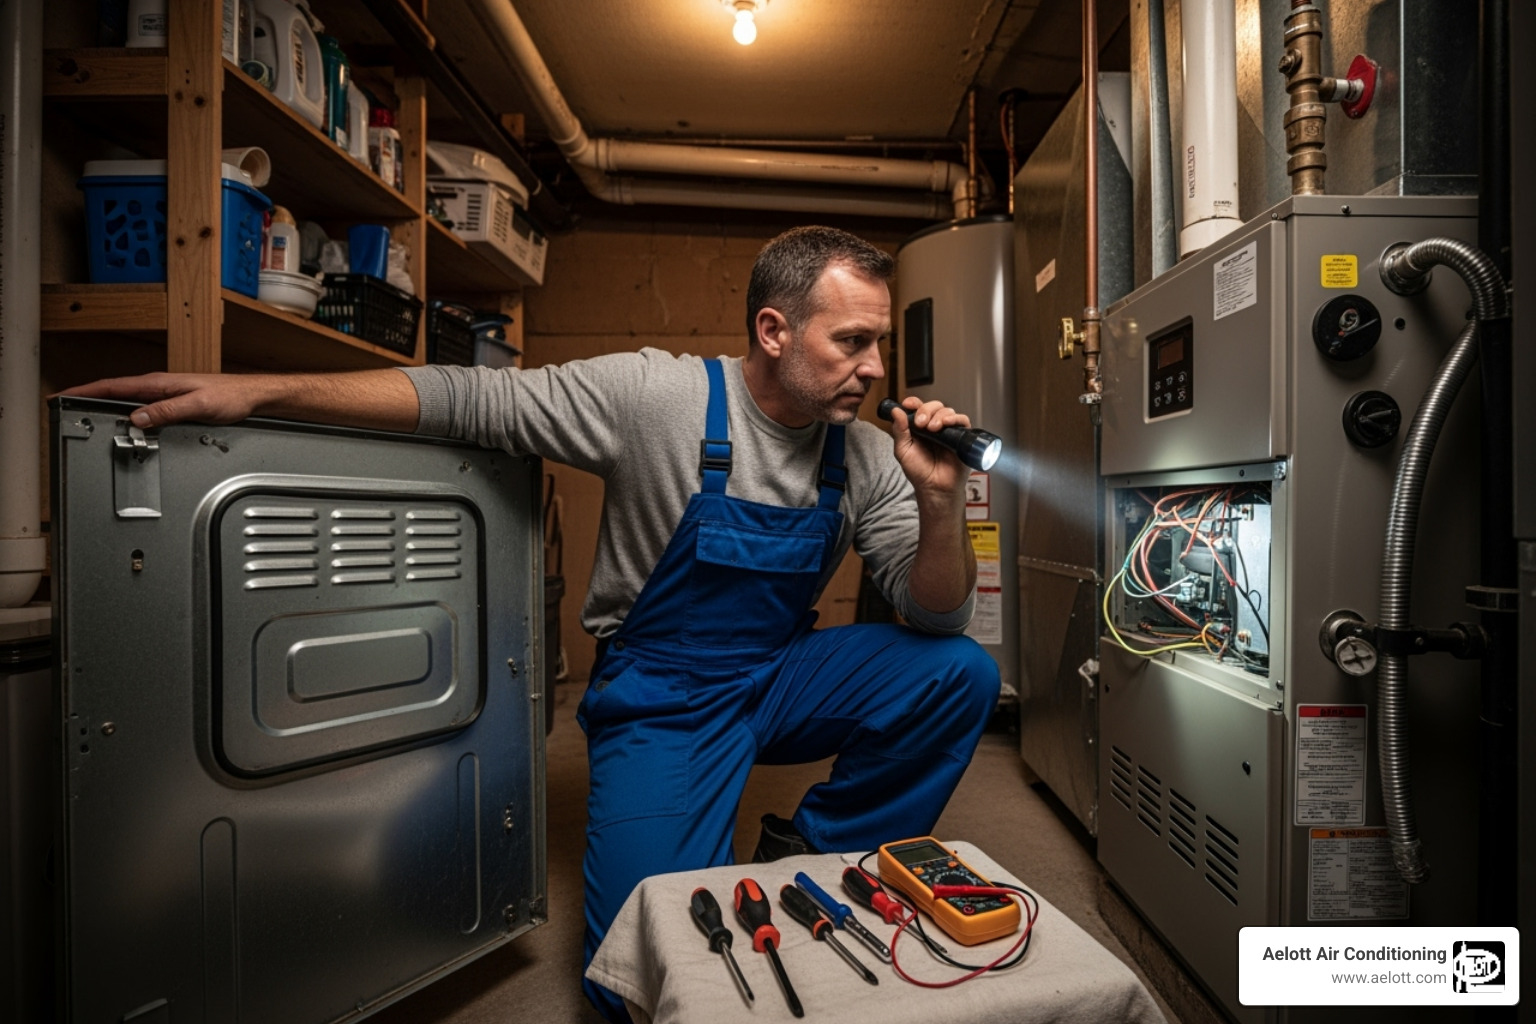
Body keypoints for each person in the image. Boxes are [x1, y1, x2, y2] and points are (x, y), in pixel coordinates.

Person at [66, 225, 1001, 1022]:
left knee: (957, 671)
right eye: (852, 342)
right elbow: (469, 399)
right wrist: (259, 392)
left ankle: (813, 857)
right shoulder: (660, 398)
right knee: (642, 972)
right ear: (774, 329)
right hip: (666, 697)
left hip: (777, 671)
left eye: (880, 344)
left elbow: (939, 612)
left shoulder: (868, 454)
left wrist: (937, 501)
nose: (877, 369)